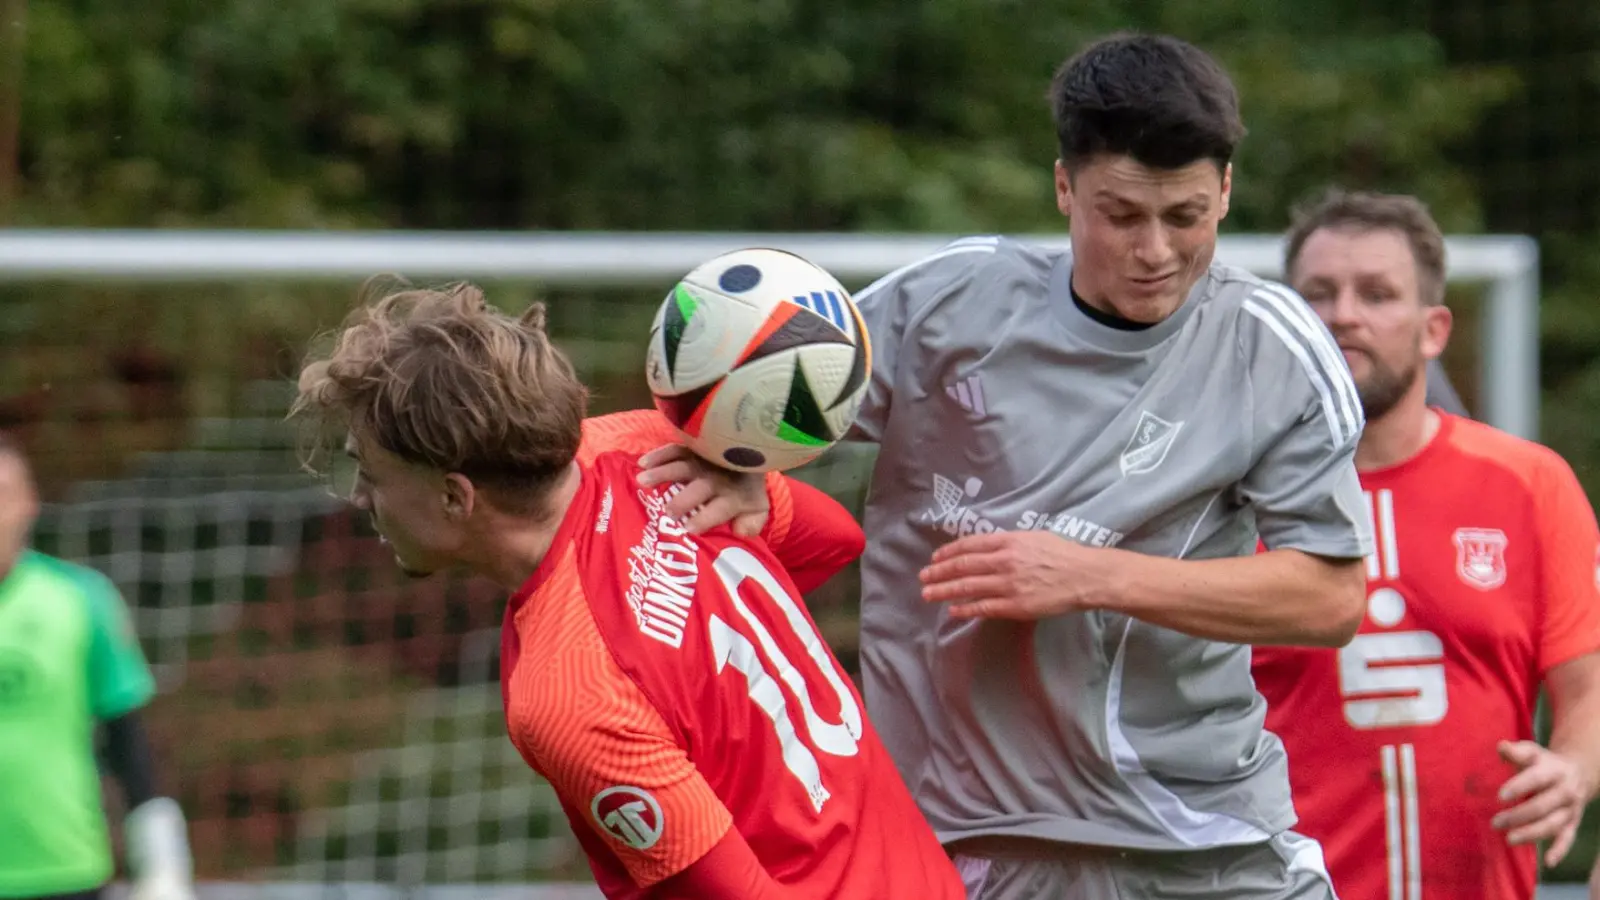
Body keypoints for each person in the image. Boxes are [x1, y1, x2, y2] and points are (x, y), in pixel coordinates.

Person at [639, 32, 1371, 899]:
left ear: (1226, 191)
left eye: (1187, 217)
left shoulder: (1270, 347)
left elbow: (1331, 599)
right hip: (963, 839)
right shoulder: (949, 302)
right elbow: (784, 405)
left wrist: (1090, 574)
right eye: (1121, 214)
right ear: (1063, 187)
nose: (1155, 252)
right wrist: (737, 462)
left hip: (1196, 830)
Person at [288, 282, 964, 900]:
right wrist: (752, 489)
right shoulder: (639, 449)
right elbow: (837, 540)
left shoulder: (569, 695)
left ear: (455, 495)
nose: (360, 497)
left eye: (371, 473)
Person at [1250, 189, 1600, 900]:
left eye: (1377, 293)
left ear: (1434, 329)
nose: (1344, 313)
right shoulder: (1227, 501)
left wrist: (1573, 768)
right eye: (1319, 293)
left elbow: (1589, 686)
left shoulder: (1528, 484)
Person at [0, 433, 196, 900]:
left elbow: (127, 741)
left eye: (2, 496)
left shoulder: (80, 599)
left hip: (64, 871)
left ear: (30, 503)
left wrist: (162, 862)